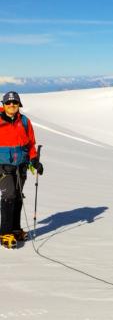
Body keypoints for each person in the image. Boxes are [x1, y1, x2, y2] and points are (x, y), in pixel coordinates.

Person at [0, 91, 43, 248]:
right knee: (9, 196)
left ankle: (15, 229)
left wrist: (34, 160)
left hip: (21, 166)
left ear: (19, 105)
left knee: (18, 196)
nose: (12, 105)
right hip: (2, 167)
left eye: (15, 103)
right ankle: (4, 232)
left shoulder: (24, 122)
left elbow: (31, 144)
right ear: (3, 105)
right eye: (8, 103)